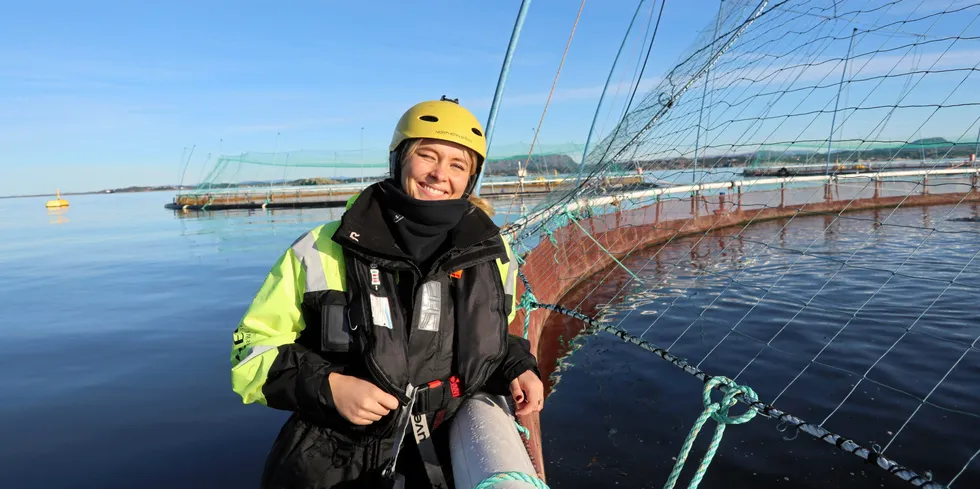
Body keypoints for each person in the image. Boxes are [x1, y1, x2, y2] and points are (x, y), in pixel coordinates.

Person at [230, 96, 545, 489]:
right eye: (427, 156)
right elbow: (251, 353)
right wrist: (330, 387)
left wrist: (518, 366)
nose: (439, 174)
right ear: (399, 161)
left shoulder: (494, 255)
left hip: (440, 450)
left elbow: (486, 340)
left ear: (470, 179)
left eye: (457, 164)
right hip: (330, 461)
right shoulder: (322, 248)